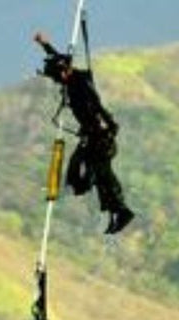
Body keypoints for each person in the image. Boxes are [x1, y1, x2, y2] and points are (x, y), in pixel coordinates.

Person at [34, 31, 134, 235]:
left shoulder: (79, 84)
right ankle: (111, 207)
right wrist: (45, 45)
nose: (56, 81)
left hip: (98, 135)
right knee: (94, 173)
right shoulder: (73, 78)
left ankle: (120, 210)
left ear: (64, 72)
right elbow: (60, 59)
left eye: (56, 77)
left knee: (102, 174)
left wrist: (107, 125)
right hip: (92, 135)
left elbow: (95, 104)